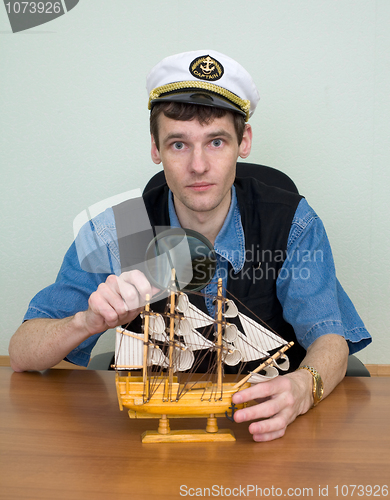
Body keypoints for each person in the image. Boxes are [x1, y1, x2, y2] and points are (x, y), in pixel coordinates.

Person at [9, 50, 371, 442]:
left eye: (216, 142)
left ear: (243, 142)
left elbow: (329, 339)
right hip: (146, 442)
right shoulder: (122, 230)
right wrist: (87, 322)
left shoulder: (291, 223)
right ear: (155, 148)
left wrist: (305, 386)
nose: (198, 165)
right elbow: (22, 351)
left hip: (266, 437)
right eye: (179, 145)